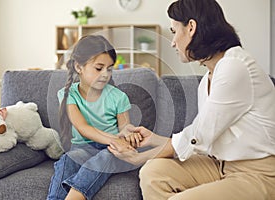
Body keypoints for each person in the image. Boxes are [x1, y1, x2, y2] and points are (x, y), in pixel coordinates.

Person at [108, 0, 275, 199]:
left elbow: (198, 136)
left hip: (258, 173)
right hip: (218, 165)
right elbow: (202, 141)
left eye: (173, 31)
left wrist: (138, 158)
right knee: (153, 173)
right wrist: (153, 139)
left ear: (191, 28)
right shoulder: (208, 79)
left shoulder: (235, 67)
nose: (172, 42)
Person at [47, 35, 142, 200]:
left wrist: (129, 133)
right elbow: (83, 128)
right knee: (67, 161)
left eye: (109, 68)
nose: (105, 74)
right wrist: (114, 139)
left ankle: (75, 196)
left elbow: (124, 127)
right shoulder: (68, 95)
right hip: (82, 148)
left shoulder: (118, 97)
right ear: (79, 67)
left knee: (106, 156)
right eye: (99, 68)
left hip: (110, 150)